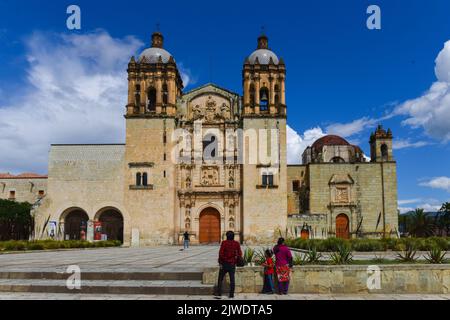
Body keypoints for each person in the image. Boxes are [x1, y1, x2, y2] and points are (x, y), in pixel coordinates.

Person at [215, 231, 242, 299]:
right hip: (232, 264)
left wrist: (221, 262)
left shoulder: (224, 243)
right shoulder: (236, 243)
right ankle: (231, 294)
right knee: (232, 279)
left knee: (220, 279)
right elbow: (240, 253)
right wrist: (235, 261)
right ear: (233, 236)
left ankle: (219, 293)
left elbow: (220, 253)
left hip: (224, 264)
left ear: (227, 236)